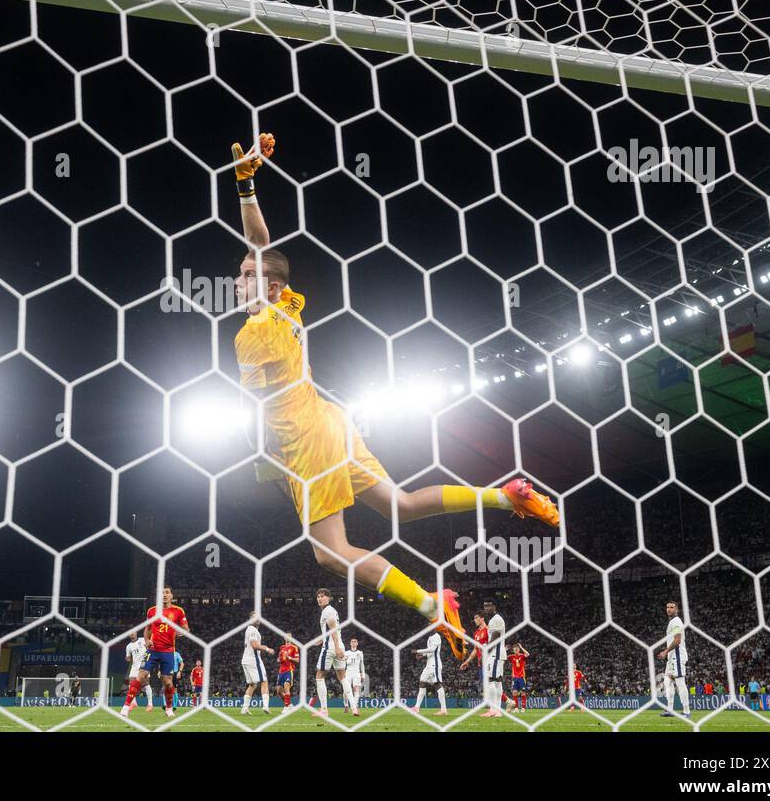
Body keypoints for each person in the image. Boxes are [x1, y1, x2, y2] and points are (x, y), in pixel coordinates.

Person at [229, 132, 558, 658]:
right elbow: (261, 244)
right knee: (399, 506)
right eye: (240, 274)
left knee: (330, 554)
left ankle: (432, 605)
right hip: (333, 420)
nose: (238, 278)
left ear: (269, 288)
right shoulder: (288, 307)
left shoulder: (254, 333)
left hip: (307, 441)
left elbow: (258, 414)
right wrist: (246, 183)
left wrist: (265, 459)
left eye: (247, 276)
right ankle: (507, 495)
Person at [123, 586, 189, 719]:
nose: (164, 595)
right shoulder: (152, 611)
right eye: (162, 593)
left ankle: (169, 709)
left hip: (168, 650)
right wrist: (147, 640)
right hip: (152, 650)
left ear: (171, 596)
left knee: (168, 682)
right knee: (141, 675)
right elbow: (147, 629)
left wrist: (181, 633)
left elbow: (186, 629)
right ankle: (126, 707)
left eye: (167, 593)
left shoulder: (178, 611)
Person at [310, 588, 355, 719]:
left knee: (319, 676)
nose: (319, 598)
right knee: (342, 677)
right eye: (318, 596)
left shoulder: (327, 611)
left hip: (331, 647)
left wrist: (335, 646)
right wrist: (322, 639)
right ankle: (353, 707)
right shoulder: (333, 611)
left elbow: (333, 628)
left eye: (322, 596)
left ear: (329, 598)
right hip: (338, 645)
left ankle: (324, 710)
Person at [656, 600, 690, 718]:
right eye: (667, 607)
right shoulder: (672, 622)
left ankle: (686, 711)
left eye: (672, 607)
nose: (669, 609)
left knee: (680, 683)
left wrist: (665, 651)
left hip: (677, 656)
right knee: (667, 682)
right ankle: (670, 709)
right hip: (671, 658)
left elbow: (677, 639)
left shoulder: (676, 622)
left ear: (677, 610)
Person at [240, 615, 273, 714]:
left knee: (252, 685)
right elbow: (254, 645)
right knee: (264, 681)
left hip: (245, 659)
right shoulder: (252, 630)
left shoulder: (249, 629)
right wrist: (267, 649)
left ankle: (244, 709)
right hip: (253, 659)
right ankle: (266, 707)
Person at [411, 630, 448, 715]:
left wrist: (418, 651)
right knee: (422, 683)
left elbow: (432, 650)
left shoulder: (436, 636)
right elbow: (430, 653)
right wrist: (423, 655)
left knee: (437, 684)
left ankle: (443, 709)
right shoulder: (430, 637)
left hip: (434, 665)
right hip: (428, 665)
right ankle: (417, 707)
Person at [121, 630, 153, 714]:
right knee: (131, 683)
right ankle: (134, 703)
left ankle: (150, 704)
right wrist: (127, 658)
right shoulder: (128, 646)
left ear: (136, 633)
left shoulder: (142, 640)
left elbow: (150, 644)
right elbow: (128, 657)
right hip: (134, 666)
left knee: (145, 684)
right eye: (130, 633)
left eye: (133, 632)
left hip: (144, 665)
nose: (132, 634)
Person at [277, 634, 300, 709]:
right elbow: (278, 659)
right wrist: (279, 659)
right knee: (279, 692)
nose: (288, 638)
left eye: (289, 636)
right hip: (281, 671)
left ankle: (286, 707)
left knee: (286, 686)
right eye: (287, 636)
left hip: (289, 670)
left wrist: (289, 657)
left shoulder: (294, 648)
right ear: (284, 638)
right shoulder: (282, 648)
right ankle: (289, 704)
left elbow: (297, 660)